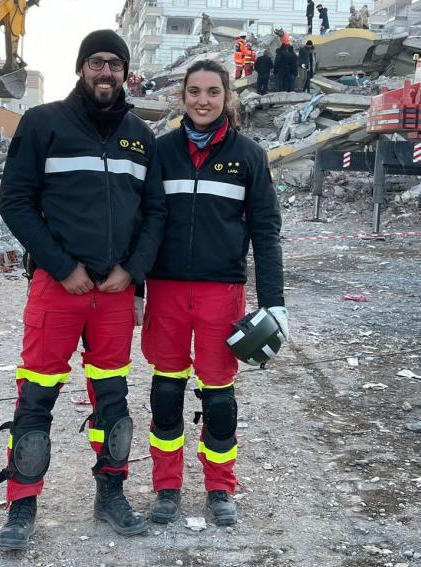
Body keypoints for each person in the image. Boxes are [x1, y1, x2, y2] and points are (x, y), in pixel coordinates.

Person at [0, 29, 166, 551]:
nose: (106, 72)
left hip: (114, 292)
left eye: (115, 63)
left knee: (114, 398)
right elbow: (15, 202)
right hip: (58, 286)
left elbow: (155, 213)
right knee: (37, 396)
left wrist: (133, 272)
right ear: (81, 68)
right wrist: (62, 265)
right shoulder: (43, 123)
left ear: (126, 72)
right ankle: (21, 506)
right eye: (96, 62)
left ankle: (110, 493)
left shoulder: (141, 135)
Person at [144, 58, 286, 527]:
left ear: (228, 98)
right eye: (193, 91)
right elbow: (141, 223)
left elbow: (265, 232)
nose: (202, 100)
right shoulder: (161, 152)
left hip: (220, 293)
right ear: (182, 97)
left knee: (219, 398)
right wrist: (135, 287)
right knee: (166, 392)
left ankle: (220, 487)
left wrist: (274, 303)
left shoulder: (248, 155)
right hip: (165, 291)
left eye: (212, 92)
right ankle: (166, 487)